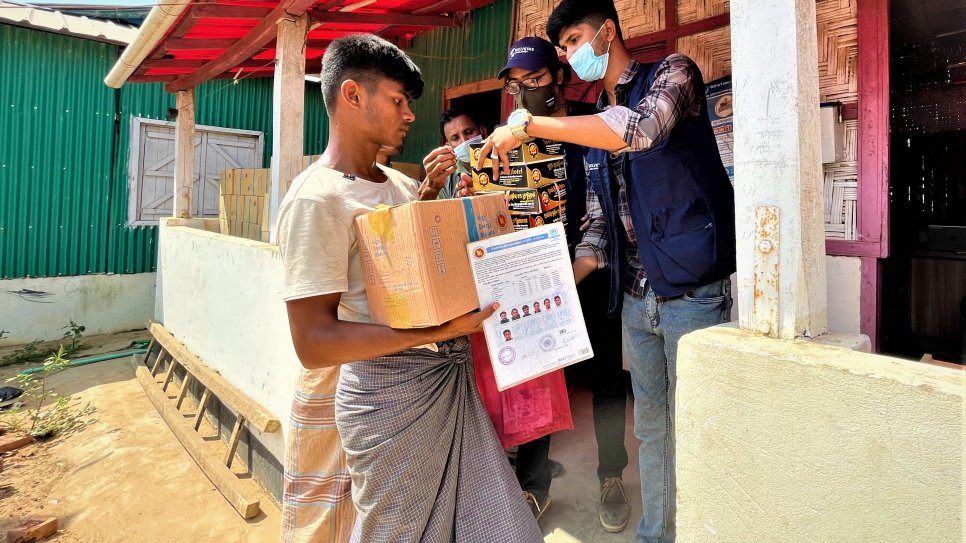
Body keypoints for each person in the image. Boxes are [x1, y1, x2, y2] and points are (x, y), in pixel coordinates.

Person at [479, 4, 737, 541]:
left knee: (700, 425)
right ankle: (654, 532)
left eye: (575, 39)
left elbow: (639, 132)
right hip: (638, 296)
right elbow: (598, 228)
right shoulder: (595, 114)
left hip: (692, 290)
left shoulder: (674, 74)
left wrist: (527, 126)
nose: (574, 54)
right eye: (567, 47)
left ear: (607, 31)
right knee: (651, 426)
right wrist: (552, 287)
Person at [275, 34, 542, 543]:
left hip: (442, 382)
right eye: (398, 101)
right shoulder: (316, 200)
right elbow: (313, 342)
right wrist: (435, 329)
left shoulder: (398, 184)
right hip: (386, 403)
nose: (410, 115)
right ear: (353, 96)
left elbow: (417, 276)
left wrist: (451, 209)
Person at [497, 35, 631, 533]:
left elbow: (611, 198)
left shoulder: (586, 124)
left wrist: (585, 263)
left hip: (594, 271)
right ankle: (535, 488)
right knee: (538, 380)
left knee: (606, 383)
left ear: (558, 76)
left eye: (535, 80)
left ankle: (612, 476)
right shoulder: (513, 137)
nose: (527, 92)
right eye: (518, 85)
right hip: (537, 280)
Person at [422, 109, 489, 199]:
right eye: (455, 138)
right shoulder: (445, 179)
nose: (464, 141)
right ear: (449, 146)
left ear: (483, 132)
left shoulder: (505, 161)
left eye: (468, 132)